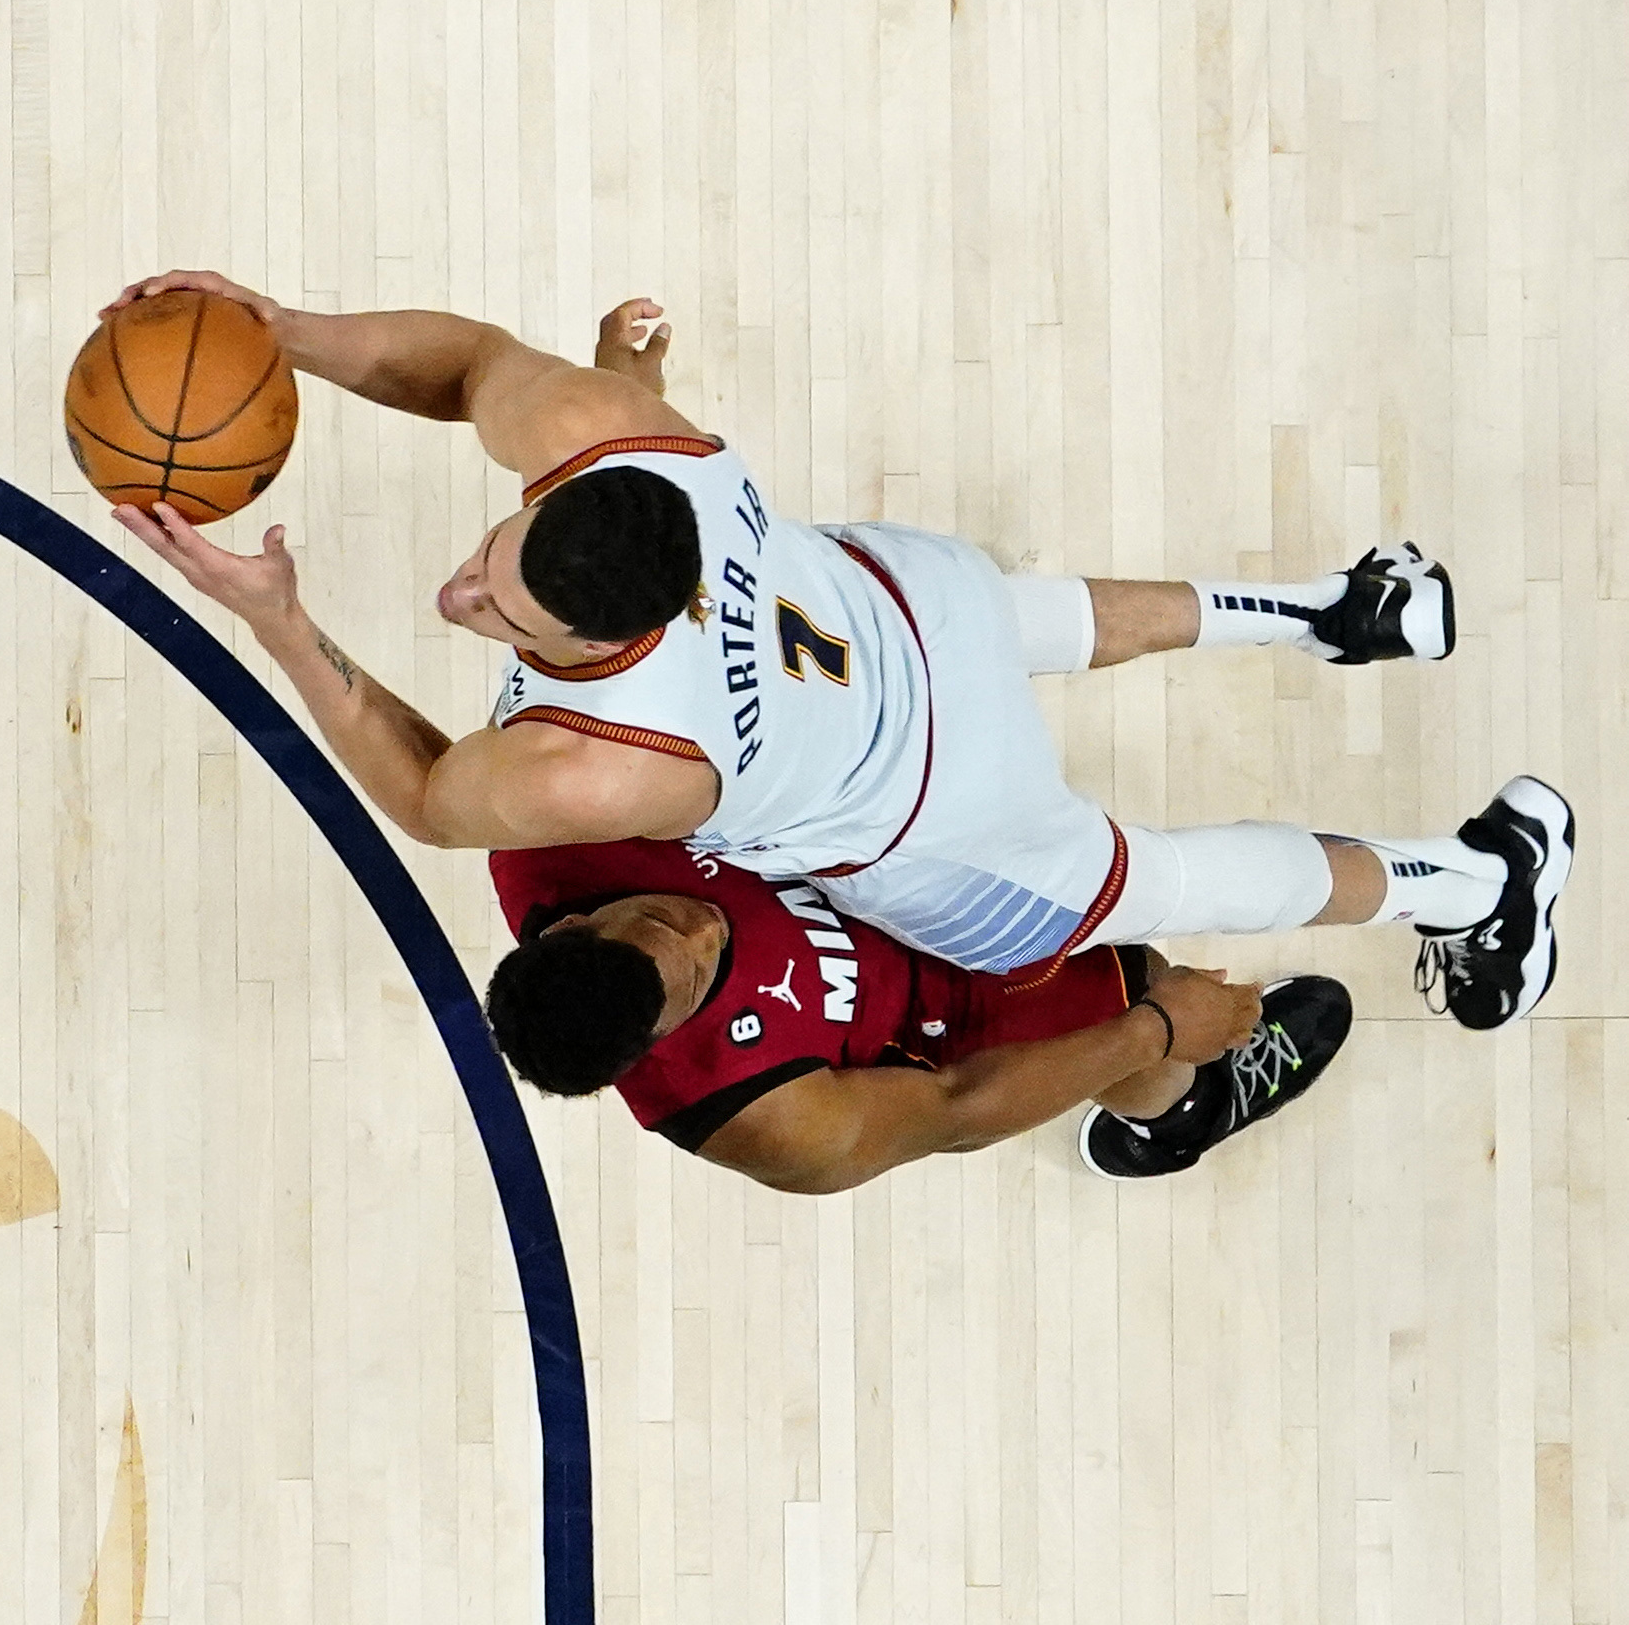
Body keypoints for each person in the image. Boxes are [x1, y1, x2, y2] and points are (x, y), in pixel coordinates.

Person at [105, 275, 1573, 1030]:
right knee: (1038, 615)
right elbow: (476, 361)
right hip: (899, 610)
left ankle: (1479, 880)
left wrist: (276, 614)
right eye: (492, 563)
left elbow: (429, 801)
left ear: (621, 639)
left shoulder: (610, 764)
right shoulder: (615, 444)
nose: (458, 593)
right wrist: (271, 324)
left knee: (1159, 876)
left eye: (501, 614)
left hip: (939, 814)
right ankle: (1340, 609)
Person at [484, 834, 1349, 1188]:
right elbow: (958, 1108)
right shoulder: (759, 1118)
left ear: (571, 924)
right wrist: (1160, 1027)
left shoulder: (548, 841)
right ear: (655, 1046)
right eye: (692, 977)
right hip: (945, 1010)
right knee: (1148, 988)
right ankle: (1182, 1112)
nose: (706, 930)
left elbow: (420, 777)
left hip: (891, 866)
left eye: (664, 919)